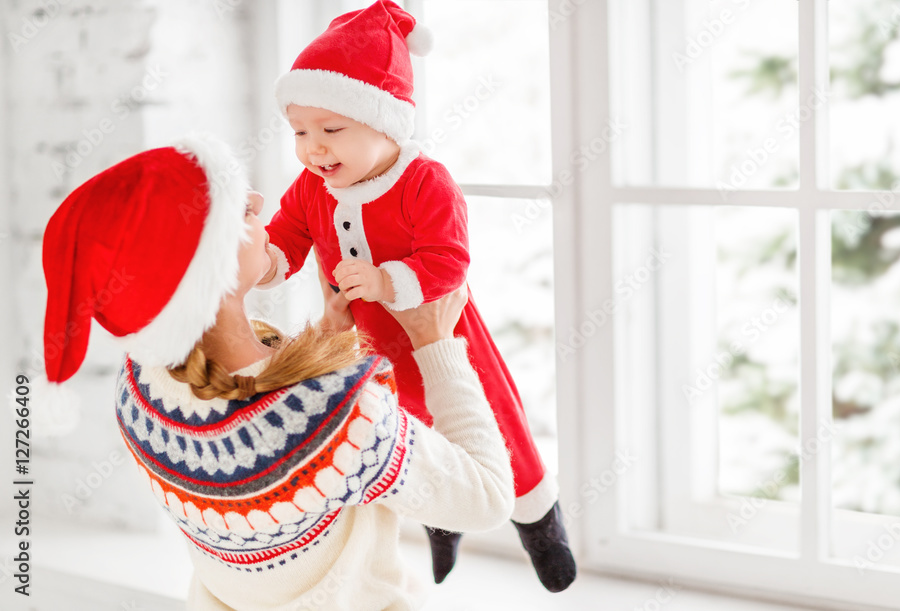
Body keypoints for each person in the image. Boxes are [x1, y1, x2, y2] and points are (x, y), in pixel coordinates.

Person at [40, 133, 514, 610]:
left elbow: (266, 451)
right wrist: (437, 346)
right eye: (238, 209)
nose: (258, 201)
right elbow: (489, 497)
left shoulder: (139, 389)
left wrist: (329, 338)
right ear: (208, 263)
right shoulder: (339, 419)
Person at [257, 0, 576, 592]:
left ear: (385, 124)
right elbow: (285, 240)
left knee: (495, 427)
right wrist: (259, 262)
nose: (312, 148)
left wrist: (383, 283)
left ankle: (541, 526)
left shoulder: (425, 182)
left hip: (443, 332)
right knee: (412, 441)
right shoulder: (310, 187)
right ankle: (440, 526)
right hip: (368, 349)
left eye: (331, 130)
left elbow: (449, 261)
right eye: (300, 131)